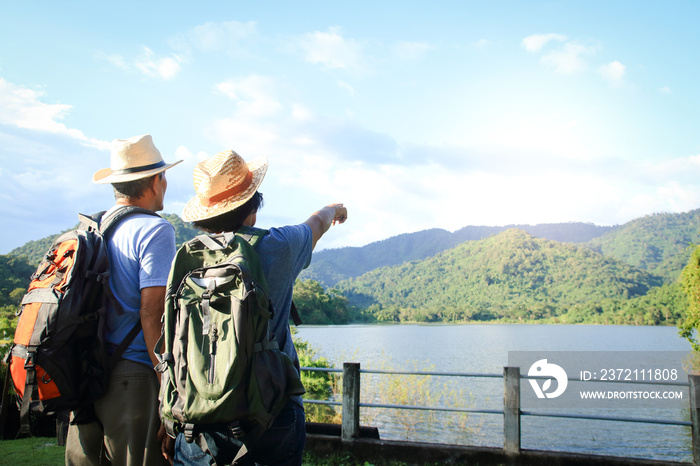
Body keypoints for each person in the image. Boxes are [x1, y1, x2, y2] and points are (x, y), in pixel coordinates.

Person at [173, 149, 347, 465]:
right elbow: (317, 224)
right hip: (271, 408)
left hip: (196, 409)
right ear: (252, 207)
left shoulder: (186, 258)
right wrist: (333, 209)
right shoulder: (279, 245)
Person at [65, 134, 182, 465]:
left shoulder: (93, 228)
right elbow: (151, 313)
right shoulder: (155, 230)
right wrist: (166, 384)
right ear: (156, 181)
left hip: (85, 373)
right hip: (132, 374)